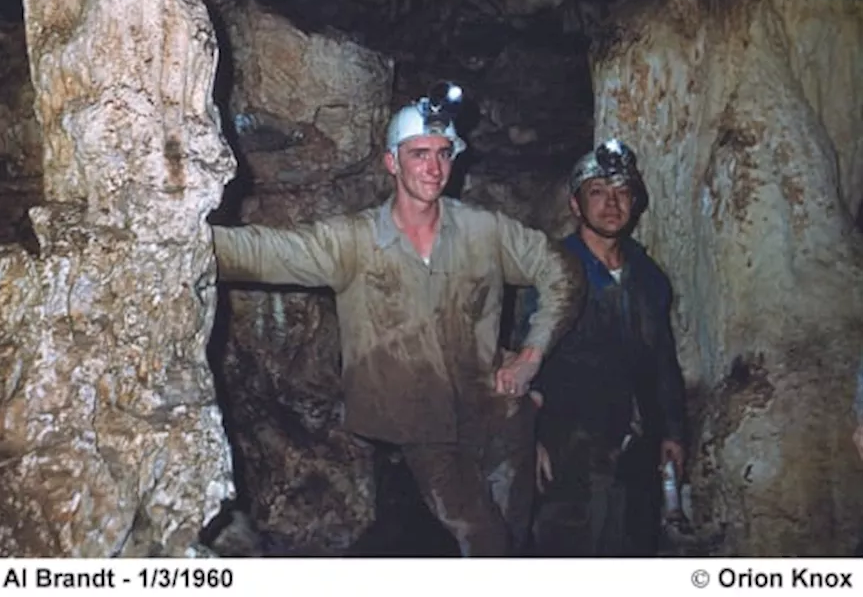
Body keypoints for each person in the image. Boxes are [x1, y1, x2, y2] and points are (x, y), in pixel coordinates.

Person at [210, 84, 583, 556]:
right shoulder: (355, 242)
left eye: (444, 153)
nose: (434, 167)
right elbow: (265, 253)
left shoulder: (484, 231)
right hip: (423, 428)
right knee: (483, 540)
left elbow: (561, 271)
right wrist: (181, 236)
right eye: (419, 154)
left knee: (513, 538)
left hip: (501, 415)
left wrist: (530, 357)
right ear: (392, 163)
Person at [517, 138, 688, 556]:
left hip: (635, 449)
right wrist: (525, 437)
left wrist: (672, 432)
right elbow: (517, 359)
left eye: (622, 192)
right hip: (566, 447)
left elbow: (662, 361)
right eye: (597, 192)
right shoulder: (550, 271)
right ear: (576, 205)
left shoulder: (649, 278)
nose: (611, 203)